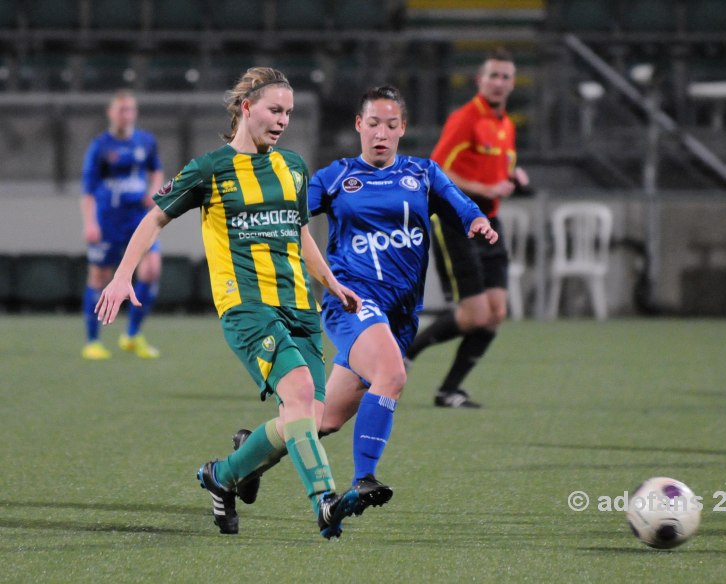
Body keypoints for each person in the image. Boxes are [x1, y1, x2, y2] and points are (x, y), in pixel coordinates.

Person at [95, 67, 372, 539]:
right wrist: (122, 277)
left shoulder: (293, 166)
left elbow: (299, 232)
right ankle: (325, 501)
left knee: (309, 419)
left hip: (299, 308)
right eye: (274, 109)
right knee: (301, 394)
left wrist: (331, 282)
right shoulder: (210, 169)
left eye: (289, 112)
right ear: (246, 107)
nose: (283, 119)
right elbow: (153, 220)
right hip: (246, 307)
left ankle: (222, 476)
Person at [229, 85, 497, 509]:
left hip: (399, 315)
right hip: (352, 301)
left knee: (323, 420)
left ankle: (247, 457)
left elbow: (460, 204)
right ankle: (363, 479)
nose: (381, 133)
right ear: (359, 125)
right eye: (373, 123)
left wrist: (477, 221)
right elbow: (289, 212)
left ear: (402, 129)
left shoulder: (423, 174)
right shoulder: (336, 177)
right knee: (392, 374)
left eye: (391, 125)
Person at [404, 47, 530, 408]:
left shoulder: (506, 125)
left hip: (490, 222)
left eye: (506, 76)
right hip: (458, 221)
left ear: (512, 83)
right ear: (480, 80)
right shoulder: (465, 118)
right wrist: (487, 188)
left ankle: (449, 391)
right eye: (493, 75)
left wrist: (512, 180)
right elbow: (437, 169)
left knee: (496, 313)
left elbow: (492, 171)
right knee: (475, 314)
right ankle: (409, 349)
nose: (499, 82)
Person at [80, 90, 164, 360]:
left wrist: (153, 189)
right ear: (111, 113)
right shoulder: (100, 147)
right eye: (121, 110)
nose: (126, 115)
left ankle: (132, 334)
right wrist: (90, 222)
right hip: (109, 221)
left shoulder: (146, 142)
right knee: (100, 278)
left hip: (138, 219)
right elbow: (88, 191)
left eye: (130, 110)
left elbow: (156, 169)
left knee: (151, 270)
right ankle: (93, 340)